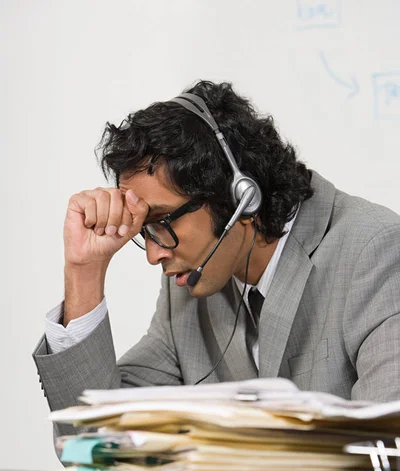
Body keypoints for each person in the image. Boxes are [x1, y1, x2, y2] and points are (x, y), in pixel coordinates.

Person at [33, 80, 400, 441]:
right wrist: (84, 272)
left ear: (241, 196)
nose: (153, 254)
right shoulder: (189, 285)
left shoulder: (375, 252)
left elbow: (390, 451)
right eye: (144, 230)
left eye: (161, 222)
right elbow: (95, 445)